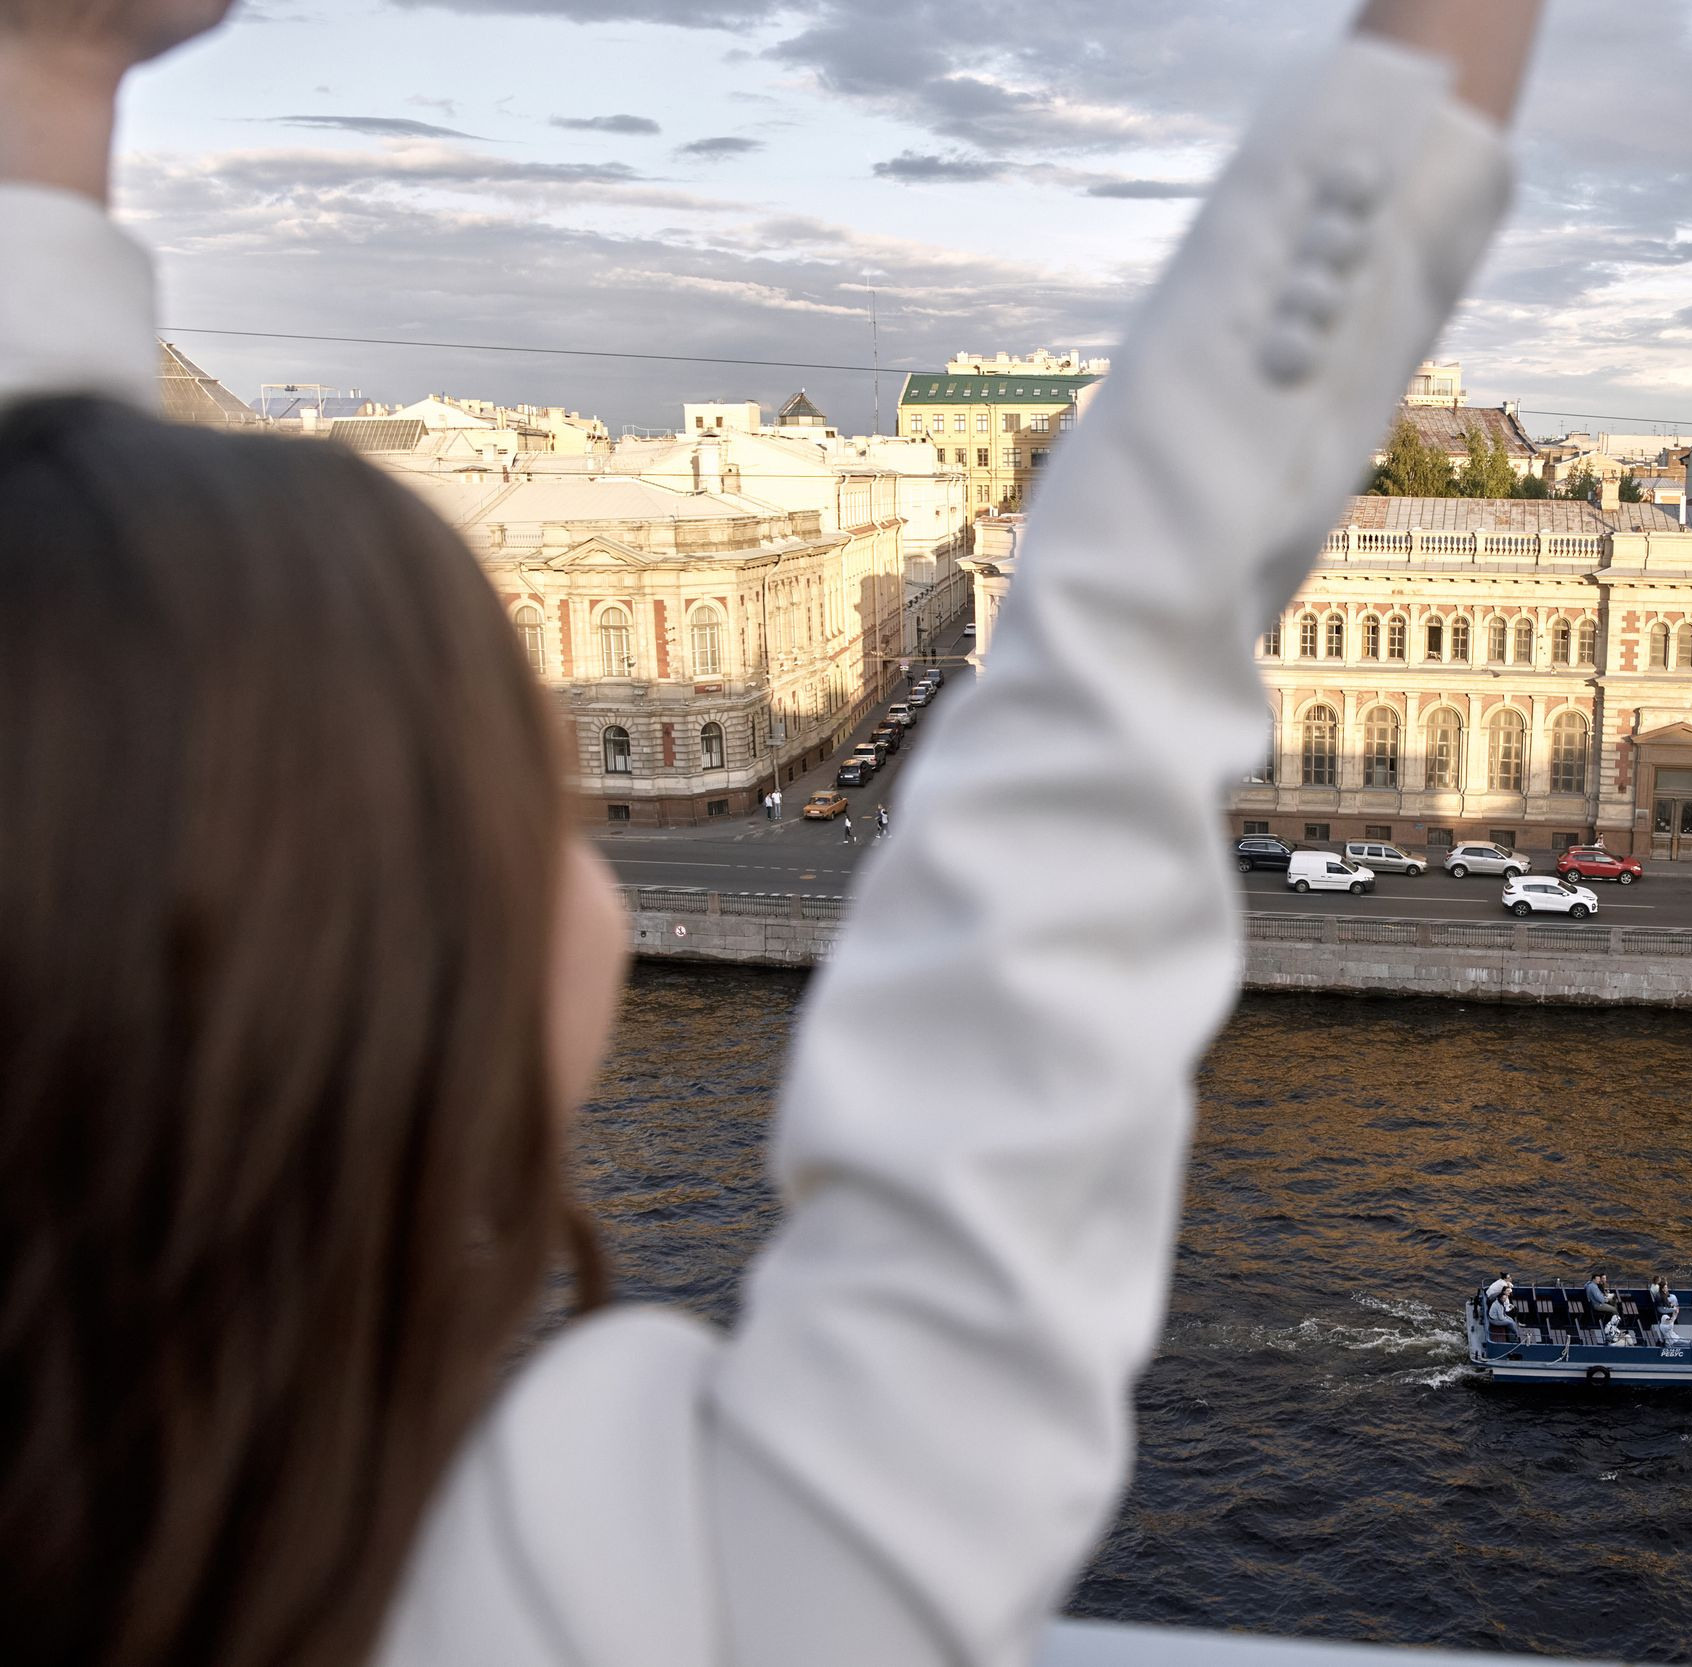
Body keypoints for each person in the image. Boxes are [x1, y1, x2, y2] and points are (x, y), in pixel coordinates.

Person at [0, 2, 1543, 1664]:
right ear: (418, 1004)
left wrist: (54, 62)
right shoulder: (658, 1591)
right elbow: (1121, 661)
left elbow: (68, 644)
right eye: (517, 790)